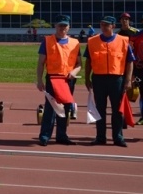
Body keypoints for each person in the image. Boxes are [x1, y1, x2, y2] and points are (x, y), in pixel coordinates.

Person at [84, 16, 134, 147]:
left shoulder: (123, 41)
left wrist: (128, 80)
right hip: (98, 79)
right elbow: (88, 61)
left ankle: (118, 137)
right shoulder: (92, 41)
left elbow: (130, 62)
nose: (104, 27)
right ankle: (100, 137)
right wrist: (86, 78)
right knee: (100, 109)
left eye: (107, 25)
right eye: (102, 24)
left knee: (117, 110)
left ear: (113, 26)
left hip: (117, 79)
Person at [36, 15, 81, 146]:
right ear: (55, 26)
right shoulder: (47, 41)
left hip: (68, 80)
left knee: (66, 109)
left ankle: (62, 135)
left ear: (69, 27)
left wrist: (74, 72)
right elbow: (41, 63)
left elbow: (79, 64)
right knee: (50, 108)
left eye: (65, 26)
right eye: (60, 25)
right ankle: (45, 136)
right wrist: (39, 80)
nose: (62, 28)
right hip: (52, 78)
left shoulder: (75, 43)